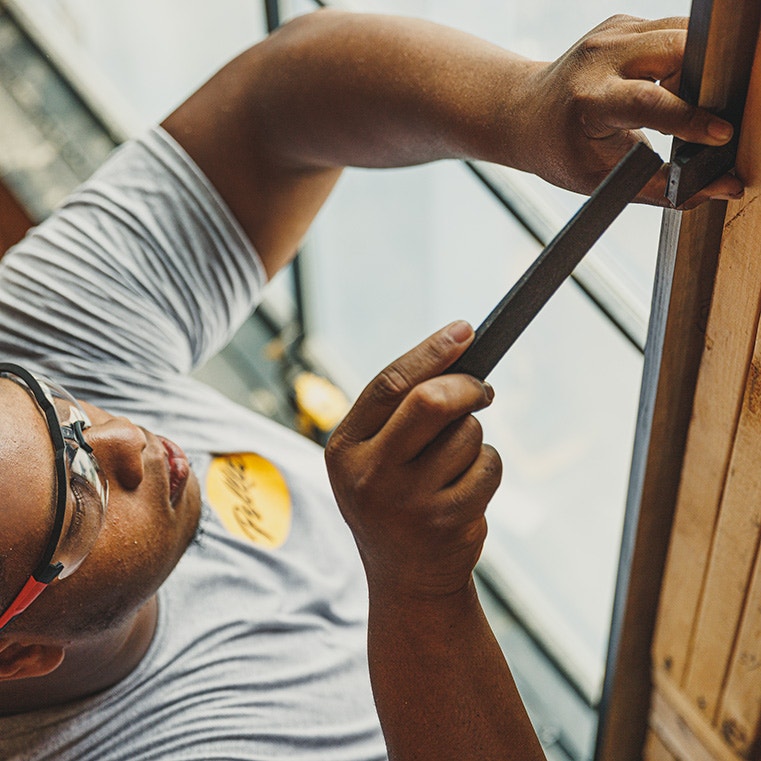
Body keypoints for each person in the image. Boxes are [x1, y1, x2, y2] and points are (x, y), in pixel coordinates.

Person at [0, 8, 741, 761]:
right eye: (78, 504)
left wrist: (518, 106)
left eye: (65, 414)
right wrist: (421, 595)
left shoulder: (15, 381)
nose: (122, 435)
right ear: (15, 656)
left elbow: (274, 111)